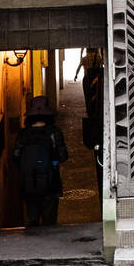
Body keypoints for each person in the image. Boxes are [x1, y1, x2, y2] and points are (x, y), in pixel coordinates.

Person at [13, 95, 68, 227]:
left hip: (28, 184)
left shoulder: (23, 134)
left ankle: (33, 246)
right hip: (50, 183)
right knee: (50, 221)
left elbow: (16, 158)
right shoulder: (54, 132)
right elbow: (63, 156)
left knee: (32, 220)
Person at [74, 48, 103, 117]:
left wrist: (76, 75)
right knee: (96, 96)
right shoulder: (99, 58)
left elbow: (79, 67)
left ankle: (89, 112)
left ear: (87, 50)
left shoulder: (84, 59)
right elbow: (103, 65)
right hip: (96, 80)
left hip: (86, 79)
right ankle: (95, 111)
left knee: (88, 96)